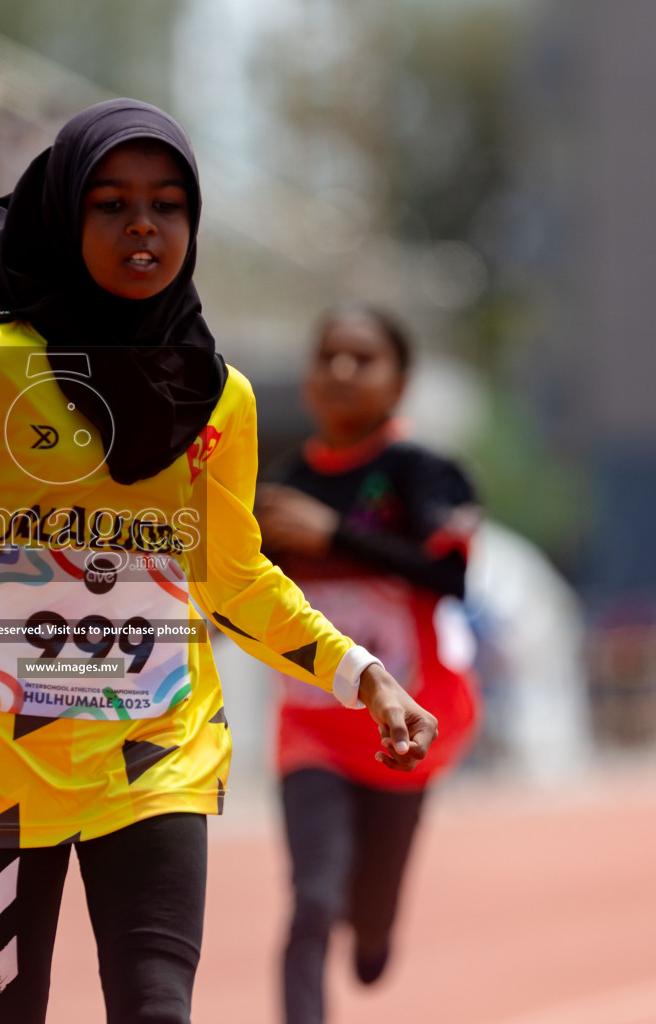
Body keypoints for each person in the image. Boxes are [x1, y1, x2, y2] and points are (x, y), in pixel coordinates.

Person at [0, 100, 439, 1024]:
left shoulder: (221, 397)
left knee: (156, 1010)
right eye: (110, 204)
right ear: (67, 220)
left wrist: (363, 674)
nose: (143, 225)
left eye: (168, 204)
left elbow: (233, 576)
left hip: (155, 755)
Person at [254, 305, 481, 1024]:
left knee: (369, 922)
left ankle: (377, 926)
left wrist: (334, 535)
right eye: (327, 357)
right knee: (313, 899)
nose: (341, 372)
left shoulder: (427, 475)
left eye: (363, 358)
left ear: (400, 382)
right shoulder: (279, 484)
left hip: (406, 728)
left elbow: (451, 576)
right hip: (310, 729)